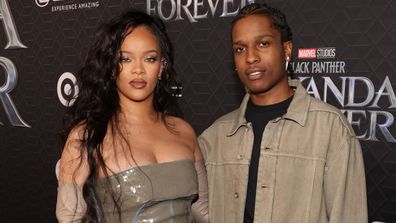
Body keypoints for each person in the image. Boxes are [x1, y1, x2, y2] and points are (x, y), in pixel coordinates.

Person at [198, 3, 367, 223]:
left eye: (263, 43)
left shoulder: (330, 129)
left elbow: (348, 216)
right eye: (240, 49)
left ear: (286, 50)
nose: (250, 57)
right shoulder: (215, 136)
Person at [56, 10, 208, 223]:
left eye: (149, 58)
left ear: (162, 66)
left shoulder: (184, 132)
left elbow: (202, 211)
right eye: (125, 59)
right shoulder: (86, 136)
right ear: (110, 66)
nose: (138, 69)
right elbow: (69, 218)